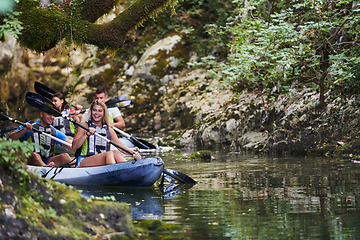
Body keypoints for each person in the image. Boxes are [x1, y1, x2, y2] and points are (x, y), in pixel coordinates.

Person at [72, 100, 141, 167]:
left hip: (102, 162)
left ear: (104, 113)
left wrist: (133, 153)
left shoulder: (109, 130)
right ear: (91, 112)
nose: (96, 113)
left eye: (100, 111)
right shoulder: (84, 126)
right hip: (84, 161)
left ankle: (128, 170)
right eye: (94, 110)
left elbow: (121, 147)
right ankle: (115, 174)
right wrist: (86, 134)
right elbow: (74, 146)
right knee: (109, 154)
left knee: (116, 152)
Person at [7, 111, 74, 167]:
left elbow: (71, 145)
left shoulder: (54, 131)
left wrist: (81, 140)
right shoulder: (29, 126)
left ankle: (77, 170)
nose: (52, 117)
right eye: (49, 114)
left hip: (48, 161)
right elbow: (9, 139)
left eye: (53, 115)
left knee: (65, 156)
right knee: (35, 155)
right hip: (28, 160)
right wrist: (23, 131)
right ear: (41, 114)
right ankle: (46, 170)